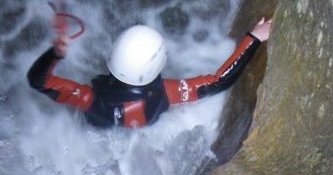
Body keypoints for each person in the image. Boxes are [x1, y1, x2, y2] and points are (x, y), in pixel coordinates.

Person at [27, 18, 271, 129]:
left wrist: (55, 54)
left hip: (93, 135)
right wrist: (254, 38)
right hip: (146, 136)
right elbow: (219, 82)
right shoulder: (165, 93)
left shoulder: (88, 98)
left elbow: (38, 80)